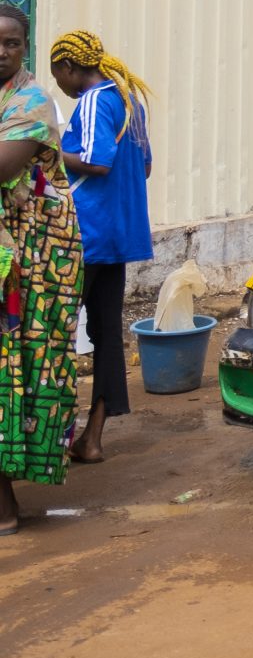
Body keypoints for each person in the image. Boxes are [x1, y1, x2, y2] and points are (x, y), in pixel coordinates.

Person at [51, 30, 154, 466]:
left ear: (69, 68)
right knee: (107, 334)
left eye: (58, 74)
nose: (59, 84)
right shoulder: (130, 99)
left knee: (54, 331)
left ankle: (51, 436)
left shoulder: (94, 101)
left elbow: (95, 161)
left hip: (84, 232)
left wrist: (49, 147)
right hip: (118, 232)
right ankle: (91, 438)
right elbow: (144, 166)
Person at [0, 4, 81, 534]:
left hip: (34, 261)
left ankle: (5, 504)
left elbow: (3, 167)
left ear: (24, 46)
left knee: (19, 367)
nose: (3, 51)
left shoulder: (32, 101)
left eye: (12, 42)